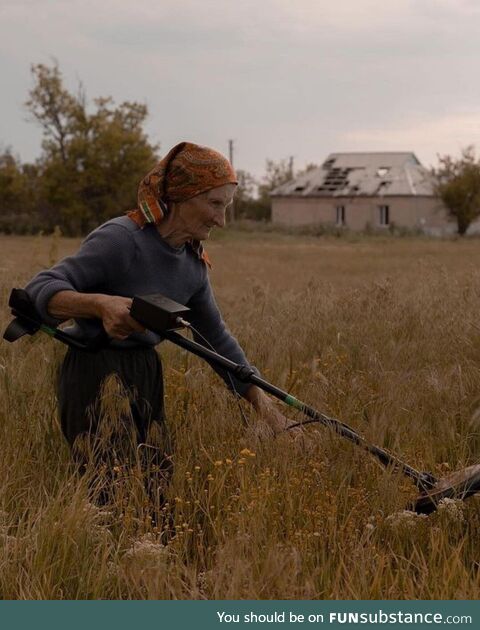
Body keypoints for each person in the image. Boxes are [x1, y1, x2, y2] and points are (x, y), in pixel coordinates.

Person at [25, 141, 294, 513]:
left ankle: (150, 563)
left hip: (146, 373)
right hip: (93, 369)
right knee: (109, 493)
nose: (221, 220)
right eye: (215, 205)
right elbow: (40, 289)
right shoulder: (122, 239)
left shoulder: (193, 265)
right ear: (183, 197)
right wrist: (99, 304)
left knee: (155, 490)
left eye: (226, 208)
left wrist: (269, 411)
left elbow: (217, 341)